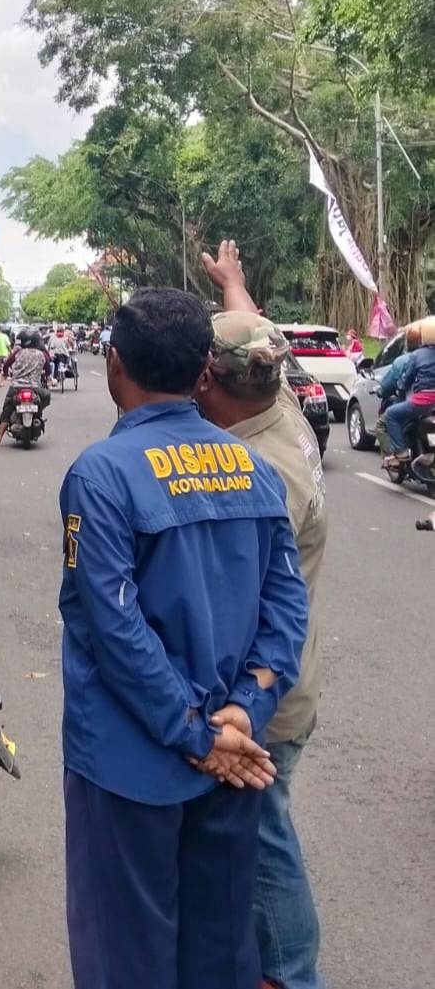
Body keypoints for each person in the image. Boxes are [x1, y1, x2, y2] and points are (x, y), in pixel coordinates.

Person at [60, 287, 308, 989]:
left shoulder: (100, 475)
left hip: (131, 763)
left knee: (125, 952)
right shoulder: (252, 466)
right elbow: (287, 604)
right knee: (219, 950)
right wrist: (242, 712)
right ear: (203, 369)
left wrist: (194, 732)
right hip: (233, 756)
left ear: (113, 365)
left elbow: (113, 625)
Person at [197, 239, 327, 989]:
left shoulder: (259, 473)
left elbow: (240, 604)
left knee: (264, 835)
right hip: (285, 679)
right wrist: (233, 285)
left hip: (267, 692)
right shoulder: (272, 403)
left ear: (211, 381)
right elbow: (254, 329)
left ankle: (293, 972)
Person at [382, 322, 435, 466]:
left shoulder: (417, 355)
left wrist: (400, 388)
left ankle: (401, 451)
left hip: (424, 401)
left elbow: (407, 378)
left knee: (391, 414)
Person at [0, 329, 51, 446]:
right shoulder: (41, 354)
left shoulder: (18, 353)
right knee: (47, 396)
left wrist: (6, 373)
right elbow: (48, 369)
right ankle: (39, 412)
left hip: (17, 386)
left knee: (7, 410)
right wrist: (48, 377)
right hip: (35, 387)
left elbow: (7, 364)